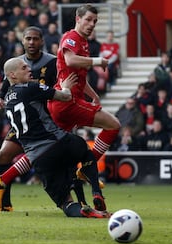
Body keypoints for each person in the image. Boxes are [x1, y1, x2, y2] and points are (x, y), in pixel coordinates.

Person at [0, 57, 108, 218]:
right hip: (58, 143)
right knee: (84, 150)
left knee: (65, 203)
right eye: (24, 68)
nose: (29, 69)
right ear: (13, 75)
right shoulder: (31, 87)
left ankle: (82, 211)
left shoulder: (8, 102)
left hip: (39, 160)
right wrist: (65, 87)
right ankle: (95, 190)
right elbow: (64, 96)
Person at [0, 26, 58, 212]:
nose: (31, 42)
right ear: (22, 41)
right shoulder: (15, 63)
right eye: (28, 39)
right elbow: (6, 84)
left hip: (46, 122)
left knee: (55, 162)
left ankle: (76, 198)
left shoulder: (53, 62)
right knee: (3, 154)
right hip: (24, 122)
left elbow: (59, 89)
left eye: (35, 39)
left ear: (41, 41)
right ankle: (3, 204)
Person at [47, 4, 120, 163]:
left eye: (95, 21)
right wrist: (97, 61)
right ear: (77, 19)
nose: (92, 24)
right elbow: (70, 60)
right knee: (113, 125)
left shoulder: (83, 42)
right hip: (68, 101)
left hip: (63, 101)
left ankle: (4, 177)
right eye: (88, 20)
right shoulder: (72, 37)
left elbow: (79, 78)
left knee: (48, 146)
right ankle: (89, 167)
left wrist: (93, 95)